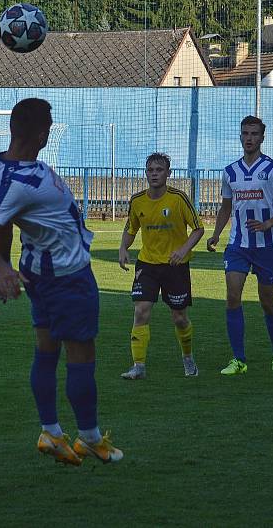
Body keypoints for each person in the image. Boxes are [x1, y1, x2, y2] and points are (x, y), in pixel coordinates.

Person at [0, 98, 123, 467]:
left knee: (46, 351)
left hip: (39, 268)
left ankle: (51, 432)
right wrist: (0, 271)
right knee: (81, 357)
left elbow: (4, 222)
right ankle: (89, 438)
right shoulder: (20, 183)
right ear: (42, 134)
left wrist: (6, 264)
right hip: (66, 276)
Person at [206, 115, 273, 375]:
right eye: (245, 133)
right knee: (233, 296)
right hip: (238, 245)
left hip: (267, 245)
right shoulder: (230, 172)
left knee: (267, 301)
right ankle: (238, 360)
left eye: (254, 134)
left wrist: (268, 224)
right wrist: (216, 234)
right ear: (240, 136)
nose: (249, 138)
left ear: (262, 138)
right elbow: (226, 207)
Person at [118, 153, 205, 380]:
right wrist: (123, 249)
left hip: (175, 266)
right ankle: (138, 366)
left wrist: (183, 250)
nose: (154, 174)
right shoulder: (137, 201)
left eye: (159, 170)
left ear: (168, 173)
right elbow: (131, 228)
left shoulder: (179, 199)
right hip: (147, 264)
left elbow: (198, 229)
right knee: (141, 310)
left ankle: (188, 359)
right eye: (150, 170)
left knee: (179, 317)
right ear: (146, 173)